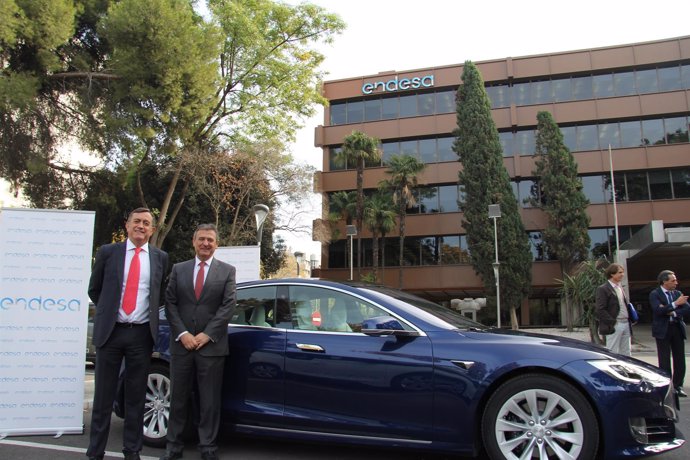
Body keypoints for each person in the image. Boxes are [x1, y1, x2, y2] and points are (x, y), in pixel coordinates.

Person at [86, 208, 169, 460]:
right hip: (110, 334)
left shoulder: (161, 258)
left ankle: (132, 451)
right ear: (127, 225)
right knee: (103, 398)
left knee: (135, 398)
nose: (141, 226)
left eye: (146, 223)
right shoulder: (107, 252)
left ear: (152, 230)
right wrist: (111, 312)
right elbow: (94, 290)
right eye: (137, 221)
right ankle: (95, 452)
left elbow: (159, 295)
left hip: (141, 336)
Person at [161, 224, 236, 460]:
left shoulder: (227, 271)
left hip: (211, 347)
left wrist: (207, 334)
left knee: (209, 402)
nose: (206, 243)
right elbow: (170, 303)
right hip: (182, 346)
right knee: (178, 400)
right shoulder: (178, 269)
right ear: (193, 242)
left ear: (217, 244)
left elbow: (228, 307)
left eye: (210, 240)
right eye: (202, 239)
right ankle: (173, 449)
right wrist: (183, 334)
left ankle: (208, 448)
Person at [649, 270, 690, 397]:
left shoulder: (677, 293)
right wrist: (675, 304)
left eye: (676, 280)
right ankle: (667, 386)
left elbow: (686, 308)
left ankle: (678, 386)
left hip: (676, 328)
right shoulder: (655, 294)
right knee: (664, 359)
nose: (676, 283)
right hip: (662, 330)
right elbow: (658, 310)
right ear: (664, 281)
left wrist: (673, 312)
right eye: (673, 281)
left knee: (679, 359)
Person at [595, 263, 634, 356]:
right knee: (612, 353)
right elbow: (600, 309)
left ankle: (624, 370)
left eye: (623, 272)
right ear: (612, 274)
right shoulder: (603, 289)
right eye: (620, 272)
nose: (622, 275)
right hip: (615, 324)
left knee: (626, 353)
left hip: (626, 323)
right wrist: (613, 322)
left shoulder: (620, 288)